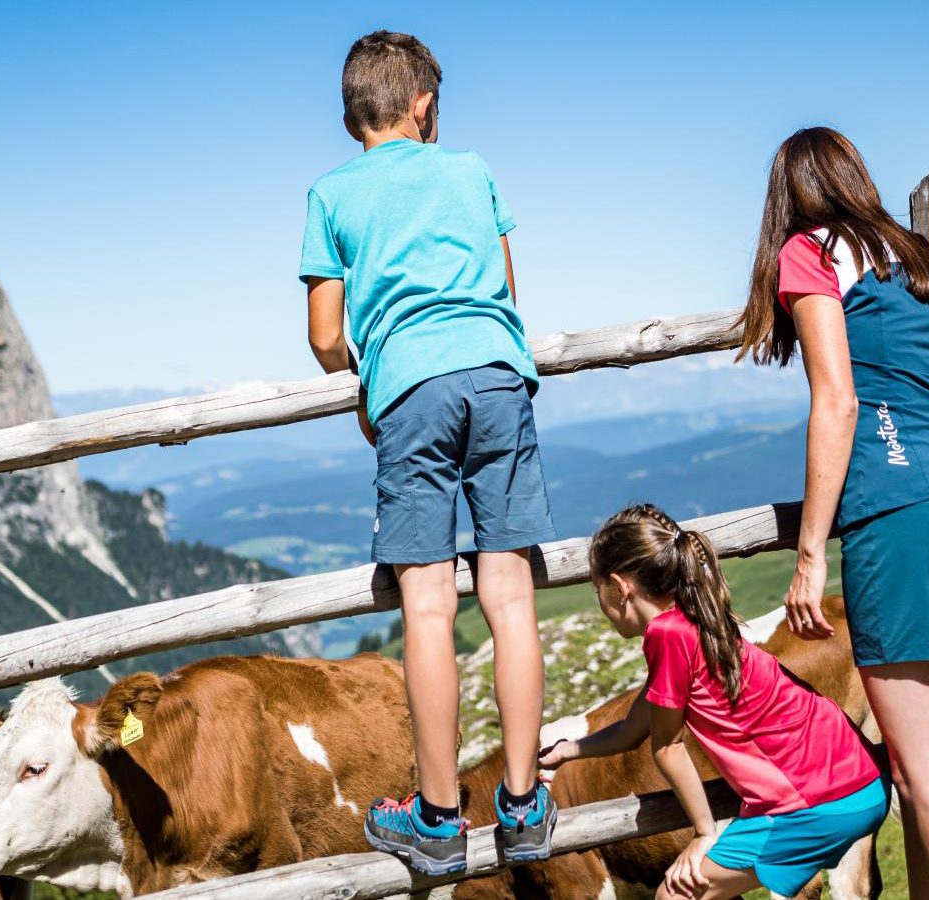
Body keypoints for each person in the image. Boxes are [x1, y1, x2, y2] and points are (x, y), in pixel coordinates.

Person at [299, 30, 557, 875]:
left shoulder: (331, 195)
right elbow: (507, 291)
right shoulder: (471, 170)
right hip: (497, 377)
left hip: (411, 391)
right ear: (424, 105)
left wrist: (368, 378)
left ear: (352, 117)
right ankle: (523, 808)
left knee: (429, 609)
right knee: (510, 595)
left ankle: (441, 820)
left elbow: (327, 336)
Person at [735, 127, 929, 899]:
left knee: (928, 781)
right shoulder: (923, 260)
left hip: (902, 518)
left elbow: (839, 400)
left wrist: (811, 552)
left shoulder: (810, 253)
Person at [539, 505, 886, 900]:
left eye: (595, 587)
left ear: (620, 587)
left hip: (813, 803)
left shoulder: (666, 637)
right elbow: (634, 729)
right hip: (858, 781)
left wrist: (704, 834)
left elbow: (666, 746)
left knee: (676, 894)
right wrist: (567, 751)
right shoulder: (696, 621)